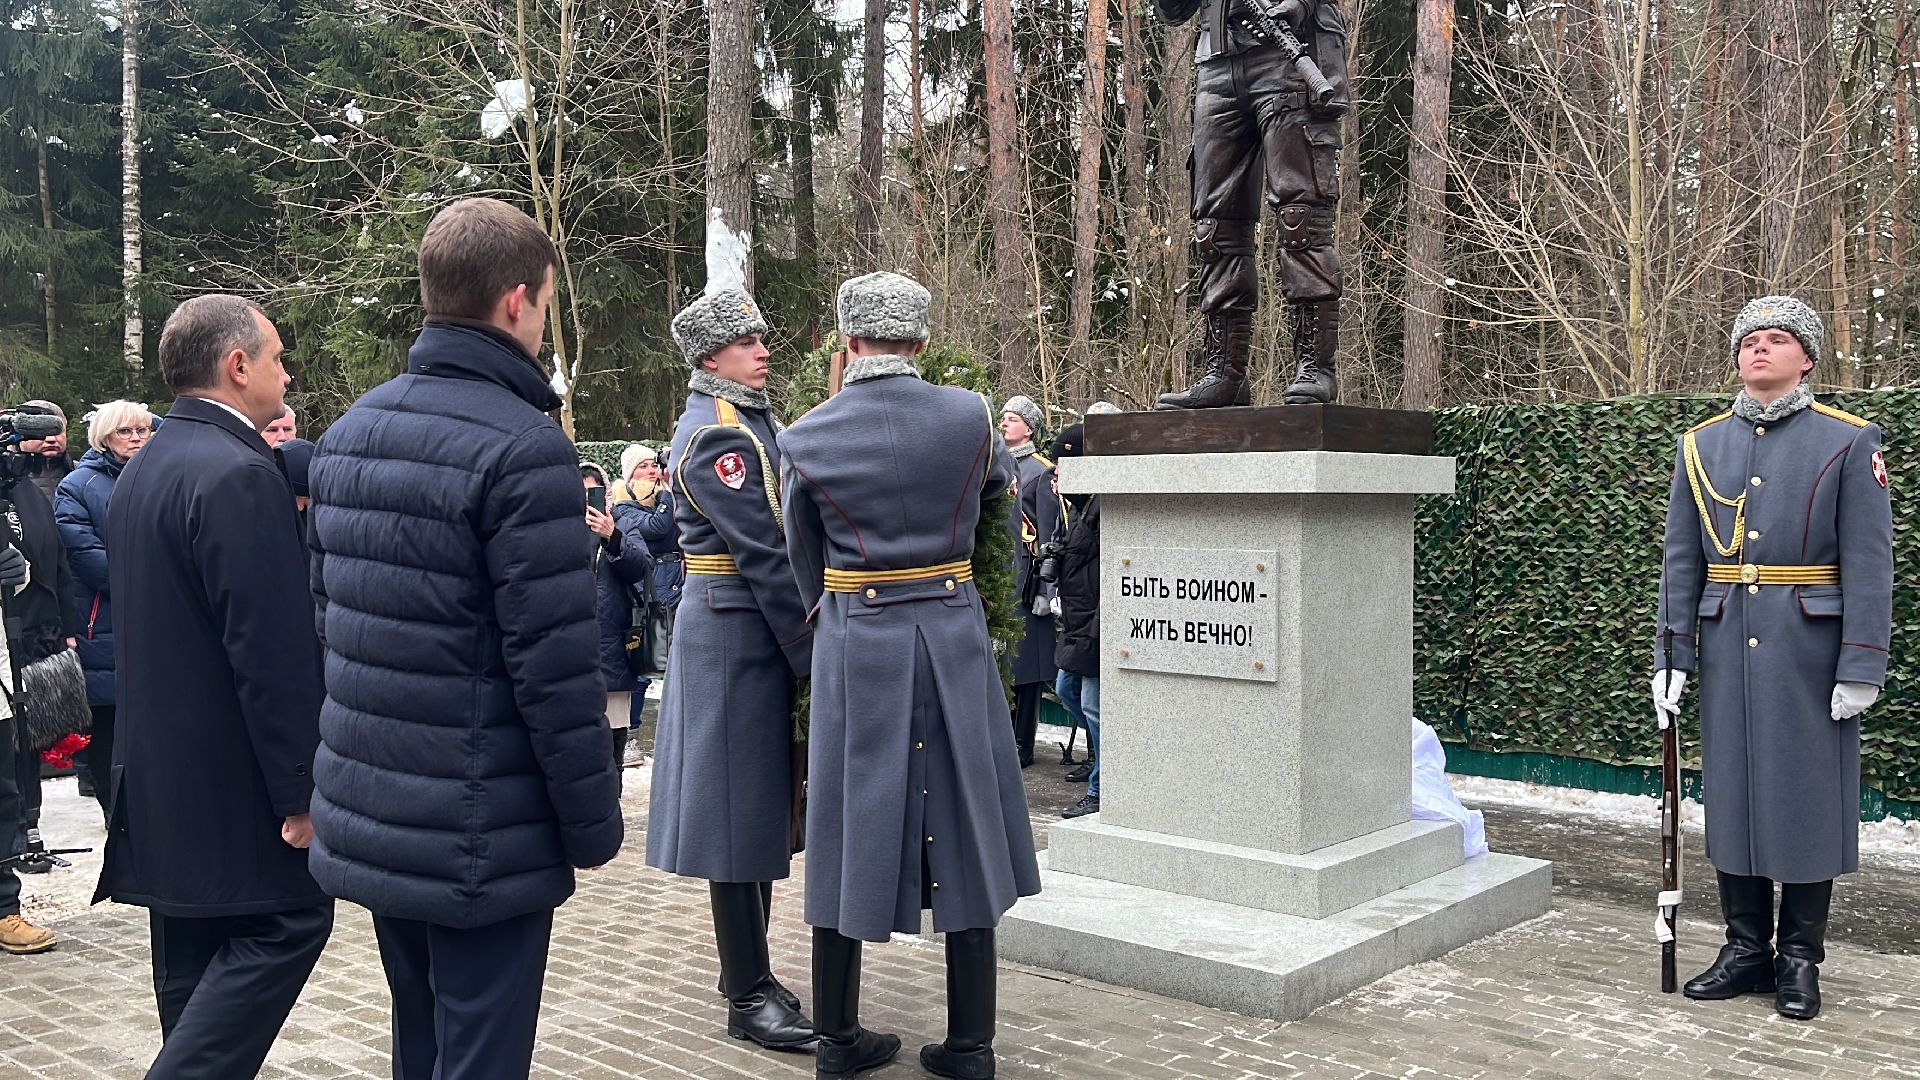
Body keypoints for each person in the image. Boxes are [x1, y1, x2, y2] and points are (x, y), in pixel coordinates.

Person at [305, 197, 623, 1079]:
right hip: (484, 828)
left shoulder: (350, 432)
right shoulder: (527, 448)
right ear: (518, 300)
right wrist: (593, 824)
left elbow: (329, 624)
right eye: (549, 301)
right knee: (479, 1054)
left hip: (380, 811)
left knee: (425, 1041)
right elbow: (555, 667)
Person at [780, 271, 1042, 1079]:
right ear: (921, 344)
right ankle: (971, 1048)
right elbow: (998, 494)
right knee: (966, 821)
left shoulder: (805, 437)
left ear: (846, 342)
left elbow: (802, 561)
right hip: (955, 633)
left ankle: (835, 1042)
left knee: (843, 827)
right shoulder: (968, 416)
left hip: (858, 641)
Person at [94, 295, 333, 1075]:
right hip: (229, 790)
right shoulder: (238, 473)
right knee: (290, 923)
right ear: (237, 366)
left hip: (160, 781)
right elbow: (270, 654)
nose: (286, 372)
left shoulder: (147, 466)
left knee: (194, 978)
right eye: (275, 356)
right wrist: (299, 793)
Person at [1653, 296, 1893, 1022]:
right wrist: (1674, 654)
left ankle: (1800, 959)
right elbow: (1681, 559)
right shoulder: (1701, 446)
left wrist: (1862, 664)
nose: (1759, 350)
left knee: (1806, 804)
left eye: (1777, 339)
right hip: (1728, 645)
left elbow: (1871, 563)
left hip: (1810, 652)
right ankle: (1746, 949)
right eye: (1749, 340)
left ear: (1807, 358)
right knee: (1733, 798)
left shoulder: (1848, 441)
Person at [645, 287, 815, 1053]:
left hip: (743, 635)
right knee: (738, 818)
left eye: (760, 335)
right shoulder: (719, 435)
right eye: (748, 340)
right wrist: (811, 657)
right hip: (736, 637)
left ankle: (751, 973)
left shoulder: (744, 419)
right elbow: (767, 558)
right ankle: (746, 994)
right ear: (711, 357)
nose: (763, 348)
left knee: (755, 814)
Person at [1152, 0, 1349, 408]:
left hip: (1291, 54)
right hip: (1218, 64)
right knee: (1214, 227)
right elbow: (1173, 12)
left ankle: (1316, 367)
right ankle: (1224, 374)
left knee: (1301, 217)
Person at [1, 400, 78, 953]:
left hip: (13, 655)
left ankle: (4, 907)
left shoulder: (23, 490)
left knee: (6, 786)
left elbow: (53, 561)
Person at [54, 399, 154, 820]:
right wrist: (160, 585)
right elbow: (87, 556)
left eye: (142, 430)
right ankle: (117, 818)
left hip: (158, 621)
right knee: (110, 728)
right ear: (104, 437)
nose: (135, 438)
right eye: (124, 432)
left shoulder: (160, 473)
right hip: (104, 621)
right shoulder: (77, 486)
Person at [580, 462, 653, 785]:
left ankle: (612, 809)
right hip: (567, 651)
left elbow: (643, 568)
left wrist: (611, 536)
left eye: (591, 494)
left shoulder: (621, 523)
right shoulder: (554, 526)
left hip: (611, 649)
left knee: (611, 748)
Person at [1048, 423, 1103, 819]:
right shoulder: (1079, 506)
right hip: (1078, 620)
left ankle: (1103, 785)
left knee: (1093, 704)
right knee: (1067, 690)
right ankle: (1105, 757)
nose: (1056, 476)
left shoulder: (1103, 505)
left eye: (1061, 467)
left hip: (1096, 623)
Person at [615, 441, 683, 748]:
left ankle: (674, 735)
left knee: (679, 664)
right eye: (643, 467)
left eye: (653, 465)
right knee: (646, 665)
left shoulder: (664, 501)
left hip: (677, 588)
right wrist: (668, 493)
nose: (651, 471)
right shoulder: (624, 507)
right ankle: (631, 735)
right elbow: (657, 527)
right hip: (651, 594)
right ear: (630, 475)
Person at [1001, 395, 1056, 767]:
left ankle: (1022, 744)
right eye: (1002, 417)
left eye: (1012, 418)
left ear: (1030, 427)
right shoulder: (997, 465)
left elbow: (1049, 533)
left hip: (1029, 579)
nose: (1004, 423)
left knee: (1027, 668)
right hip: (1000, 576)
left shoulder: (1042, 470)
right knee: (1002, 664)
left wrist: (1046, 588)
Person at [17, 399, 74, 505]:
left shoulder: (84, 475)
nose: (51, 438)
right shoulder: (6, 481)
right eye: (42, 432)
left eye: (57, 430)